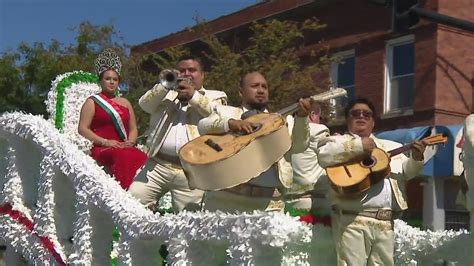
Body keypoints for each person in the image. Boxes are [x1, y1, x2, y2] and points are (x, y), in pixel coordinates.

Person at [316, 98, 426, 266]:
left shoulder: (390, 146)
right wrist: (359, 146)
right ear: (347, 120)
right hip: (352, 220)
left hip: (385, 222)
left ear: (373, 122)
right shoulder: (337, 141)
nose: (361, 116)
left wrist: (417, 158)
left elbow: (406, 172)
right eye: (355, 113)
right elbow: (324, 156)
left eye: (367, 114)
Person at [198, 71, 311, 213]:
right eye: (255, 86)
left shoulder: (284, 121)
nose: (261, 90)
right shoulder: (226, 112)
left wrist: (302, 118)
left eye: (264, 87)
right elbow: (203, 125)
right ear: (241, 92)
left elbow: (300, 146)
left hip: (268, 203)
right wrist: (230, 124)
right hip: (226, 200)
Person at [128, 55, 227, 212]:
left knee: (187, 223)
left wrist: (193, 96)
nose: (187, 74)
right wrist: (165, 84)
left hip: (191, 171)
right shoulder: (166, 93)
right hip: (156, 165)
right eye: (182, 70)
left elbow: (220, 116)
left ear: (202, 75)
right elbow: (144, 105)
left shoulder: (215, 96)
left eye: (192, 70)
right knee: (131, 205)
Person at [78, 48, 147, 190]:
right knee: (123, 156)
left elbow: (133, 128)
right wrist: (105, 142)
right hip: (102, 148)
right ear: (101, 81)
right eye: (108, 79)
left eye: (115, 79)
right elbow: (83, 128)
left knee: (141, 156)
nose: (111, 82)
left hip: (124, 146)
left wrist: (131, 141)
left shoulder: (125, 102)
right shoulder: (92, 101)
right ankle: (124, 193)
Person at [285, 101, 331, 214]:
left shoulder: (284, 132)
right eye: (319, 117)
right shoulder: (317, 129)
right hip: (314, 202)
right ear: (312, 114)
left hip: (288, 201)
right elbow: (332, 155)